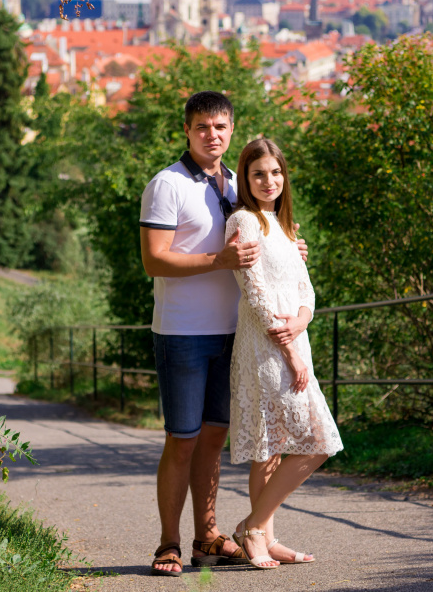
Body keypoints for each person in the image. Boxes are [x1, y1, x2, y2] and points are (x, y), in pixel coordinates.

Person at [140, 92, 308, 576]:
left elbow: (261, 238)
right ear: (187, 130)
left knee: (215, 439)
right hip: (182, 332)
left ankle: (206, 537)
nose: (211, 134)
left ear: (232, 129)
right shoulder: (167, 184)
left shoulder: (240, 182)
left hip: (236, 333)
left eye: (220, 126)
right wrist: (220, 260)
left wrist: (289, 249)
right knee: (182, 440)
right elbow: (154, 260)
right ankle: (168, 543)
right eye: (202, 126)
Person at [225, 138, 343, 570]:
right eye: (258, 174)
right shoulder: (244, 221)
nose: (269, 180)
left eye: (275, 172)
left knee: (277, 446)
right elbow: (255, 293)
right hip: (266, 346)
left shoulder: (286, 226)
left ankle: (261, 533)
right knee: (299, 443)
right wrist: (291, 351)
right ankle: (256, 529)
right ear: (245, 178)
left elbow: (305, 291)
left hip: (294, 340)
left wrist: (302, 322)